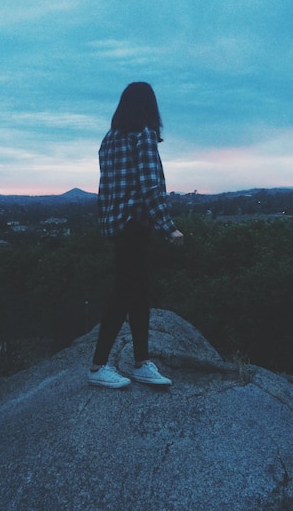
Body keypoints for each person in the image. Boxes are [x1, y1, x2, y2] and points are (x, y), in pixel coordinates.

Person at [89, 82, 184, 389]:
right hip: (135, 225)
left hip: (118, 226)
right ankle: (99, 365)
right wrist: (168, 226)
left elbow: (105, 190)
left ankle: (141, 362)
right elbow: (150, 186)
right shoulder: (142, 135)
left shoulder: (110, 139)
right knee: (125, 295)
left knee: (138, 294)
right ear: (149, 107)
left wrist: (107, 224)